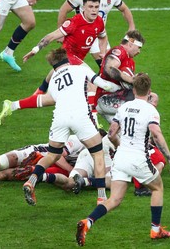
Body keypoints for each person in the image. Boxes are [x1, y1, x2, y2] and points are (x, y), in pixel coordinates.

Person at [76, 73, 170, 246]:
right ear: (149, 91)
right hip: (138, 159)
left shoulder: (124, 108)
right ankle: (155, 230)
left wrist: (120, 145)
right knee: (158, 188)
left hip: (121, 157)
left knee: (114, 199)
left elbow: (112, 132)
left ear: (134, 89)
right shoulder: (151, 110)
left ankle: (88, 222)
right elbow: (157, 135)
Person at [22, 47, 122, 206]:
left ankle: (31, 181)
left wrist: (15, 105)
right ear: (67, 59)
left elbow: (44, 99)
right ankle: (101, 197)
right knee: (97, 154)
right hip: (80, 117)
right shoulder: (79, 69)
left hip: (59, 118)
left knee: (51, 155)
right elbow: (105, 85)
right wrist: (123, 87)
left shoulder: (54, 79)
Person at [57, 0, 135, 68]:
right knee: (68, 66)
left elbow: (124, 9)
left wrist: (131, 26)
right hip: (80, 36)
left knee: (109, 66)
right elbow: (63, 10)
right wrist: (61, 33)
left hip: (99, 34)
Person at [95, 30, 146, 123]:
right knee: (143, 103)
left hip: (116, 97)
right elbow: (109, 69)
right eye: (139, 47)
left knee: (121, 133)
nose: (139, 51)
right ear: (130, 44)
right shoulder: (119, 51)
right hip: (106, 97)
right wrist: (132, 80)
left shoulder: (131, 62)